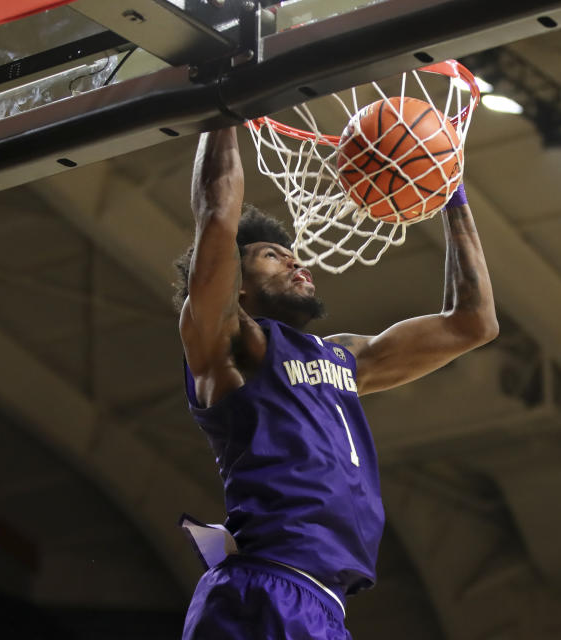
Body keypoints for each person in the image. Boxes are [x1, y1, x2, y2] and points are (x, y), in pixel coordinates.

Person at [174, 126, 498, 639]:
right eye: (272, 256)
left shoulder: (345, 358)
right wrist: (224, 111)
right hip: (263, 588)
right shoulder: (232, 348)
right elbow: (216, 218)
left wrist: (451, 191)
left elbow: (473, 323)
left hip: (325, 608)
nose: (295, 260)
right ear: (235, 288)